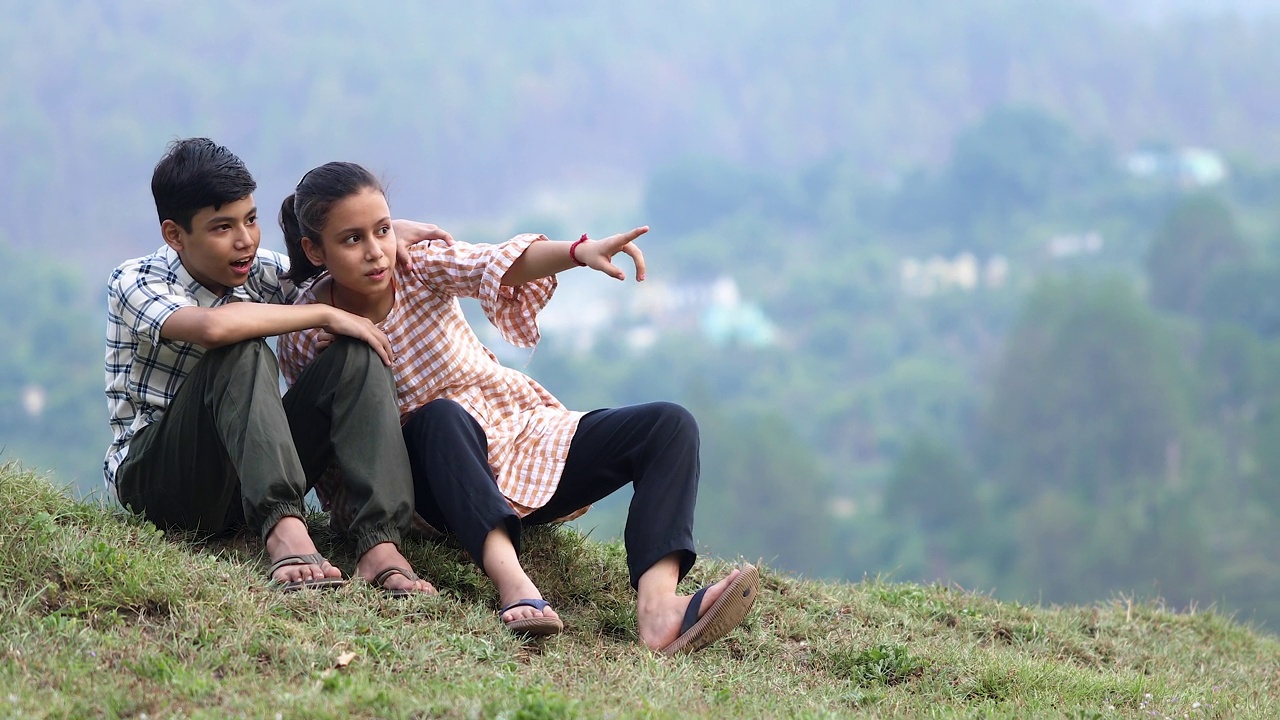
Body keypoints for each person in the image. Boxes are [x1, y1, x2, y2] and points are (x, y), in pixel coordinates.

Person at [276, 161, 759, 654]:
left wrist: (577, 252)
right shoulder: (310, 329)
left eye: (382, 230)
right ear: (315, 249)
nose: (376, 252)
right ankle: (513, 582)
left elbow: (497, 261)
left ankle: (660, 608)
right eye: (352, 240)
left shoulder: (416, 264)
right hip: (433, 487)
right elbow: (339, 446)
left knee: (669, 425)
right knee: (441, 417)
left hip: (517, 445)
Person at [104, 139, 442, 596]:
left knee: (355, 352)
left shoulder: (263, 272)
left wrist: (380, 232)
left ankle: (379, 543)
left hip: (246, 470)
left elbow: (332, 264)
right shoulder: (137, 280)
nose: (244, 239)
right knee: (242, 349)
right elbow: (213, 328)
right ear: (175, 235)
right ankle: (285, 530)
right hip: (164, 480)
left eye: (251, 219)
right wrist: (324, 314)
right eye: (222, 227)